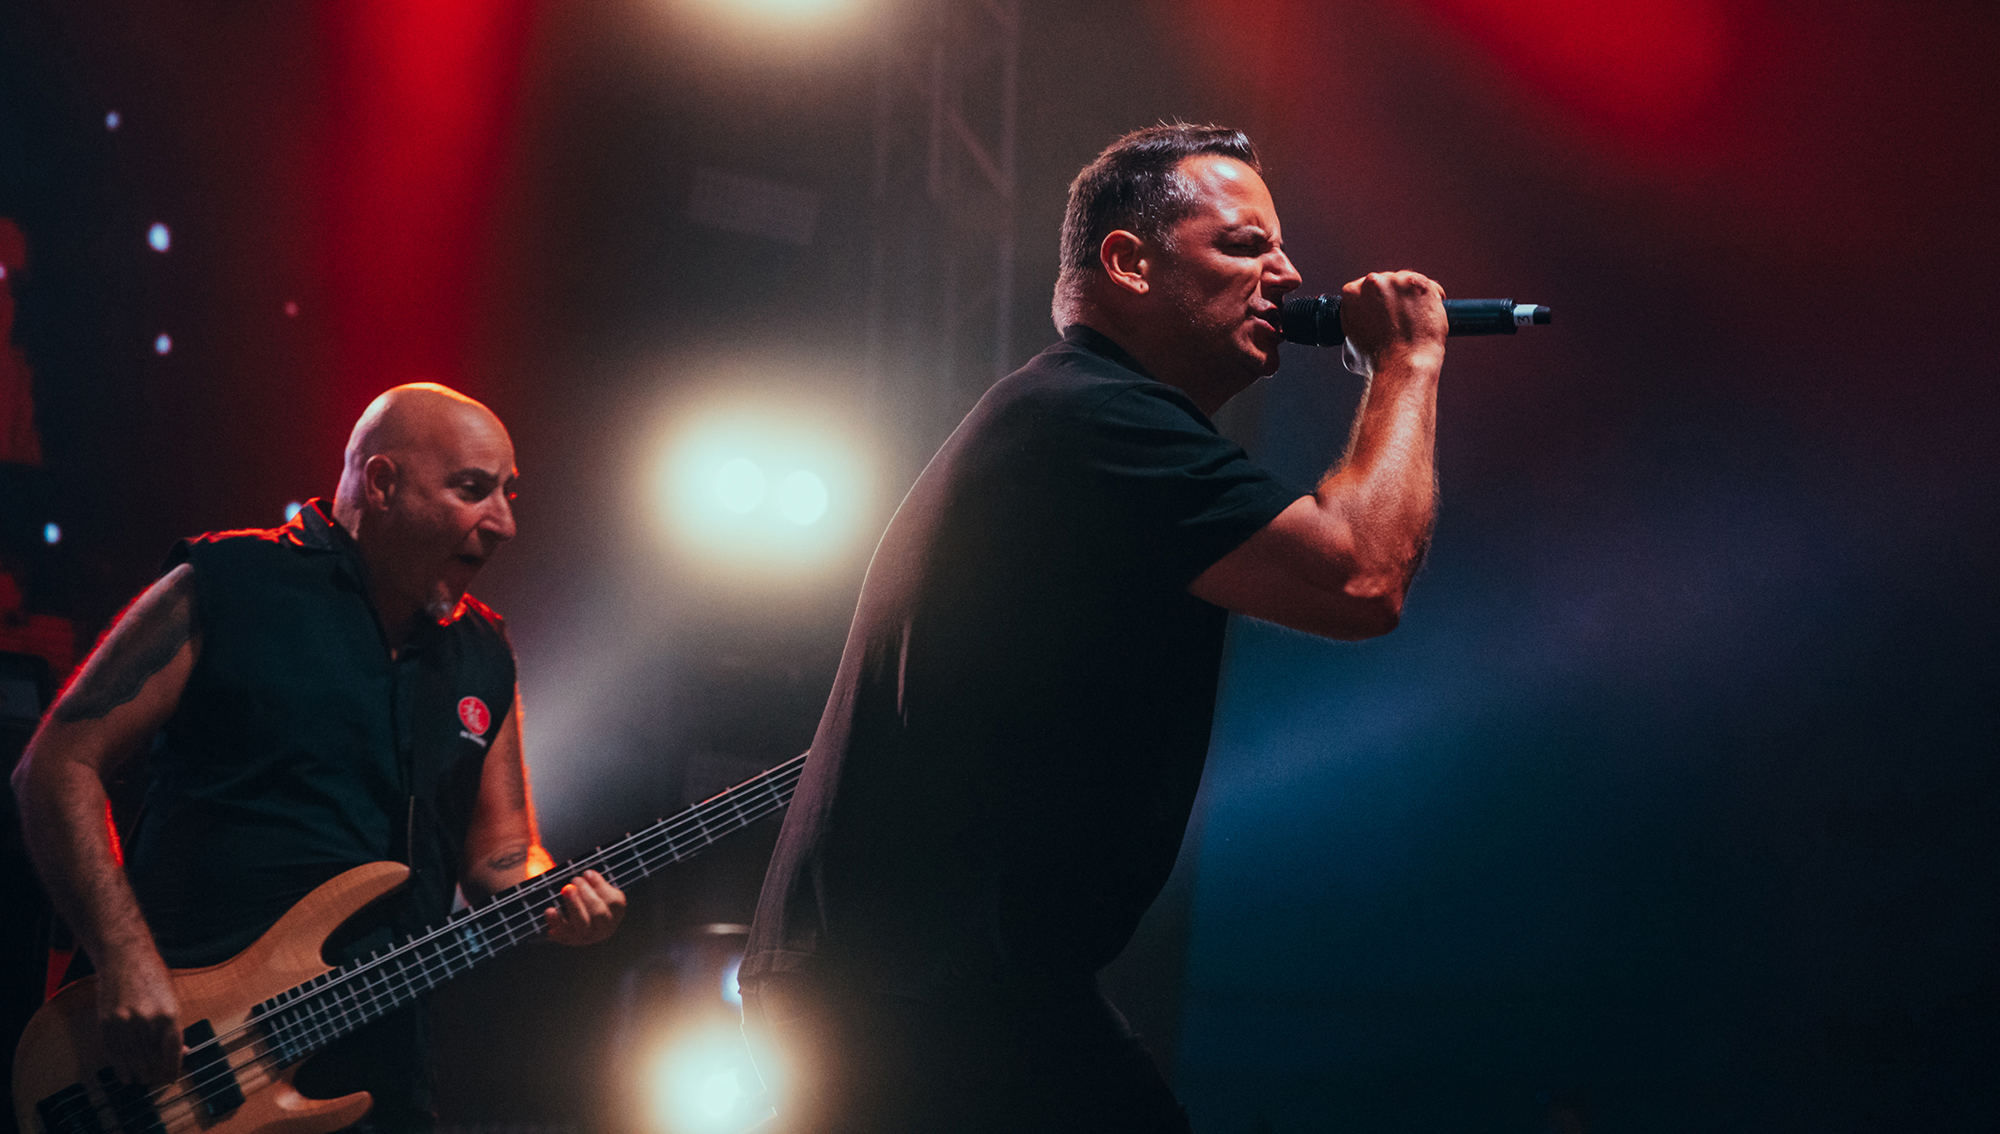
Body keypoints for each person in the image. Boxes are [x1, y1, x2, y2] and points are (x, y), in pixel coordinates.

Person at [739, 124, 1449, 1132]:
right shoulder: (1087, 417)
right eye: (1244, 244)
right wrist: (1407, 362)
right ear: (1126, 262)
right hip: (912, 987)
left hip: (944, 977)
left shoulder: (1085, 417)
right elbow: (1360, 576)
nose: (1288, 274)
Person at [11, 383, 625, 1133]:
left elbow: (500, 853)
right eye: (473, 489)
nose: (503, 522)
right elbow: (58, 764)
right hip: (180, 1067)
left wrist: (554, 895)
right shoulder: (233, 582)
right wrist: (122, 957)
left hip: (379, 1077)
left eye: (508, 492)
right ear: (383, 483)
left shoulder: (482, 652)